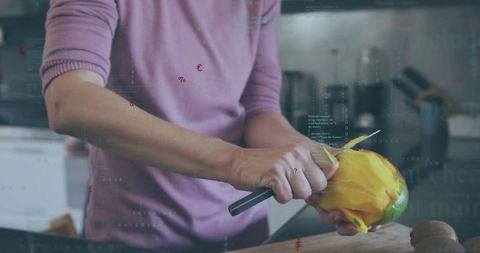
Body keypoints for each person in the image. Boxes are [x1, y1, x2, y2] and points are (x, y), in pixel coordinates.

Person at [40, 0, 363, 252]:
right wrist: (235, 161)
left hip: (242, 236)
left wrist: (313, 161)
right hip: (134, 237)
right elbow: (69, 101)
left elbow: (259, 111)